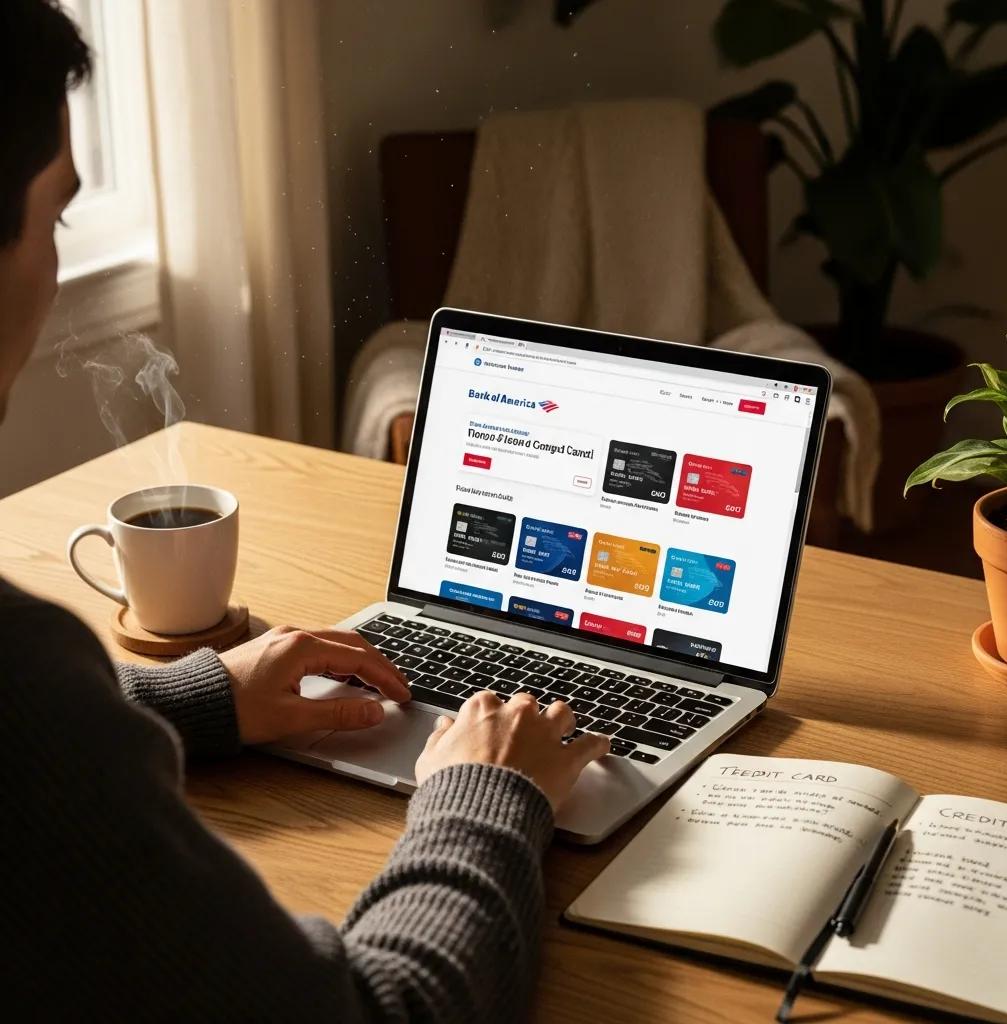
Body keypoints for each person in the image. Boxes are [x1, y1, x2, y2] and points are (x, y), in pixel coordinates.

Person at [0, 2, 610, 1020]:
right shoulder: (28, 701)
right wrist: (487, 793)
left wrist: (193, 695)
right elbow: (385, 1009)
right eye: (56, 215)